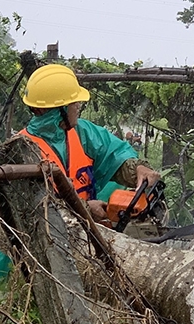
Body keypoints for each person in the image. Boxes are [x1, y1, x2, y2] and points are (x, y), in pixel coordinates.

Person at [19, 64, 162, 225]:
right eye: (74, 103)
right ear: (60, 109)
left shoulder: (83, 132)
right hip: (49, 236)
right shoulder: (22, 150)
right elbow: (31, 210)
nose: (78, 106)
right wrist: (85, 208)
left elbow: (114, 156)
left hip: (86, 231)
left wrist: (138, 170)